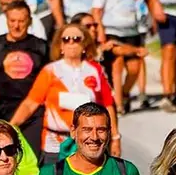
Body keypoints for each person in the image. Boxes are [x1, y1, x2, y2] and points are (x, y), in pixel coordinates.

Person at [10, 23, 118, 165]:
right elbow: (30, 103)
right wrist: (10, 126)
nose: (71, 42)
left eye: (76, 39)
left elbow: (107, 104)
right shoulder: (50, 70)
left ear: (85, 44)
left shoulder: (95, 71)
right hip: (54, 144)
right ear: (60, 46)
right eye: (66, 39)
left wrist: (115, 138)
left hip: (89, 142)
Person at [0, 1, 50, 151]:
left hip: (34, 114)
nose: (16, 26)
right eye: (12, 21)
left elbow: (52, 78)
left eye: (21, 21)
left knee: (32, 159)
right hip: (2, 112)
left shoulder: (41, 46)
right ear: (6, 21)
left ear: (29, 21)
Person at [91, 0, 145, 113]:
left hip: (131, 30)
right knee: (117, 64)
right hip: (112, 30)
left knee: (135, 67)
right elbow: (96, 10)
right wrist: (100, 30)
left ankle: (125, 92)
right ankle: (118, 105)